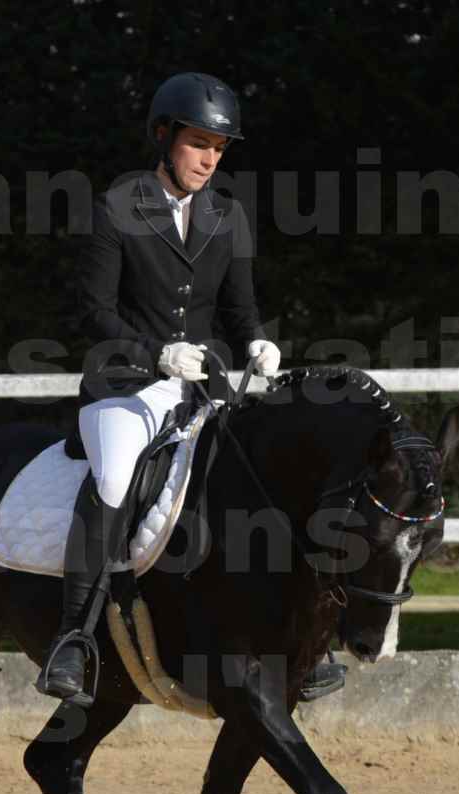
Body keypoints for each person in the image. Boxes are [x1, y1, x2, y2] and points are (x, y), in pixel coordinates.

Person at [35, 71, 345, 705]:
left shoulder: (227, 216)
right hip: (123, 386)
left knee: (259, 478)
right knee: (116, 479)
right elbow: (91, 310)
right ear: (163, 135)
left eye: (220, 147)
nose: (209, 158)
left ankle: (302, 641)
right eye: (198, 143)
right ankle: (73, 640)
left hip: (200, 388)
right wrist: (154, 353)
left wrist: (258, 339)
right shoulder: (118, 207)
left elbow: (239, 309)